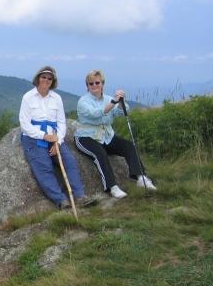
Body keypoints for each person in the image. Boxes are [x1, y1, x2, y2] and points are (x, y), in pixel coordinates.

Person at [74, 69, 156, 198]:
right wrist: (113, 102)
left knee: (129, 146)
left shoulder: (108, 98)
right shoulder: (83, 101)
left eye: (97, 82)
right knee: (100, 154)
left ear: (102, 84)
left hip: (107, 136)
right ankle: (112, 187)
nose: (94, 86)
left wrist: (121, 101)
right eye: (91, 84)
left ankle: (140, 177)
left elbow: (123, 112)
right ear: (87, 86)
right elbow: (96, 114)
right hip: (86, 137)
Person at [19, 66, 92, 209]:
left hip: (54, 138)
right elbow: (24, 124)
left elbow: (61, 122)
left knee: (69, 161)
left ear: (53, 81)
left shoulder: (56, 98)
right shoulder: (28, 97)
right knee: (44, 166)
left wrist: (58, 141)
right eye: (43, 77)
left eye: (49, 78)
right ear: (38, 78)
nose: (46, 80)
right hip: (34, 137)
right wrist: (44, 136)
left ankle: (79, 196)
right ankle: (61, 200)